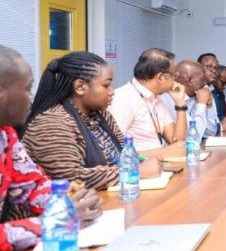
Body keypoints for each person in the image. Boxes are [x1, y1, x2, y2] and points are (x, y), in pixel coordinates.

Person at [0, 45, 102, 251]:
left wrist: (68, 200)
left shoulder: (6, 136)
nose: (31, 97)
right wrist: (55, 221)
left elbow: (32, 185)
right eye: (27, 88)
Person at [23, 52, 161, 190]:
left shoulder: (101, 115)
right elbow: (72, 178)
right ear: (80, 87)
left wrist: (138, 161)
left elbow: (123, 153)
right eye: (106, 85)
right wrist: (136, 171)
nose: (112, 91)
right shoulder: (51, 123)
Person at [108, 48, 186, 158]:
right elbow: (112, 153)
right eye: (173, 75)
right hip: (138, 167)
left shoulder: (157, 98)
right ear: (160, 77)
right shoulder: (122, 99)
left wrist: (180, 103)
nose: (175, 80)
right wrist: (163, 153)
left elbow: (177, 143)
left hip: (161, 164)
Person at [162, 61, 226, 138]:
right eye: (202, 79)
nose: (205, 83)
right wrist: (201, 105)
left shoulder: (195, 97)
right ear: (190, 81)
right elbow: (192, 137)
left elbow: (209, 133)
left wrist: (209, 106)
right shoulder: (170, 101)